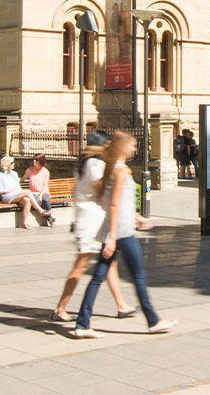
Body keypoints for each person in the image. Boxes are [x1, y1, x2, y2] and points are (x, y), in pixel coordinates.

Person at [74, 130, 175, 338]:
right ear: (122, 147)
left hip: (118, 229)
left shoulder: (114, 169)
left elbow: (112, 200)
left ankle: (82, 324)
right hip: (121, 232)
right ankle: (153, 320)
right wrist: (112, 237)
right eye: (132, 145)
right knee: (138, 275)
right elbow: (113, 203)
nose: (135, 148)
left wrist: (137, 216)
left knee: (98, 277)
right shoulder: (121, 172)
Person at [52, 131, 136, 322]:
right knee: (81, 266)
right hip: (91, 222)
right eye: (106, 144)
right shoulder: (95, 164)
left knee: (109, 263)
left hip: (91, 219)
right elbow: (101, 191)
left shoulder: (84, 163)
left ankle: (122, 305)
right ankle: (60, 308)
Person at [0, 155, 53, 228]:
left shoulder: (14, 174)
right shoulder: (0, 175)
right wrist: (13, 190)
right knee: (28, 192)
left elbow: (18, 187)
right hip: (7, 196)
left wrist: (20, 191)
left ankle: (25, 223)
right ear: (7, 164)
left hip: (16, 195)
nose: (14, 164)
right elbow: (0, 191)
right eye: (12, 163)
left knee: (27, 200)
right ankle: (41, 211)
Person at [24, 153, 53, 219]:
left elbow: (45, 185)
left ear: (41, 161)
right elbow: (23, 179)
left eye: (36, 159)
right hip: (33, 193)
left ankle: (49, 217)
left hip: (44, 192)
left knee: (45, 200)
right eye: (33, 159)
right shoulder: (29, 170)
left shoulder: (45, 172)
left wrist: (41, 195)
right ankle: (50, 218)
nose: (34, 161)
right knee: (37, 200)